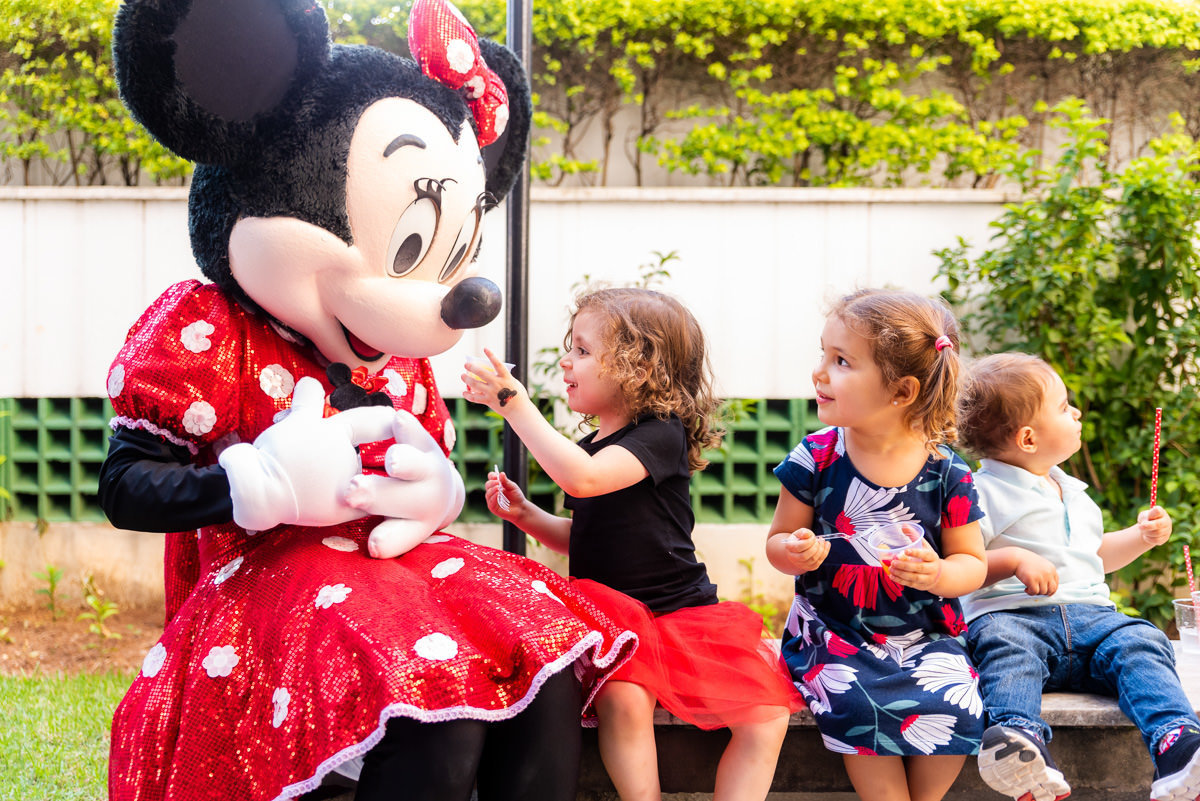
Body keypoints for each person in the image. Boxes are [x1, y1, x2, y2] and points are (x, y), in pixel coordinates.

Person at [461, 286, 803, 801]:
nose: (566, 360)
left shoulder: (660, 434)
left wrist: (514, 403)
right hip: (612, 622)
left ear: (636, 369)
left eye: (582, 350)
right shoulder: (591, 449)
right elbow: (586, 536)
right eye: (570, 347)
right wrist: (527, 516)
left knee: (767, 715)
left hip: (682, 612)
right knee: (624, 701)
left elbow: (584, 480)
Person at [766, 288, 988, 801]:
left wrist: (939, 573)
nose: (819, 372)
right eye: (823, 355)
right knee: (855, 704)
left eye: (841, 361)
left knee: (960, 704)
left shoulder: (947, 471)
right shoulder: (816, 456)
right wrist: (793, 549)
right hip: (832, 631)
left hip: (926, 634)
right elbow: (776, 542)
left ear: (902, 391)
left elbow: (972, 564)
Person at [957, 352, 1200, 801]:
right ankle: (1019, 744)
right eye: (1064, 406)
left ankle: (1177, 747)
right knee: (1006, 651)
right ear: (1028, 438)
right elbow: (961, 565)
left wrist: (1140, 537)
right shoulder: (979, 493)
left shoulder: (1072, 492)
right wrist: (1014, 560)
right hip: (1014, 617)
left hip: (1095, 619)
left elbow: (1094, 556)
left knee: (1141, 641)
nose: (1077, 413)